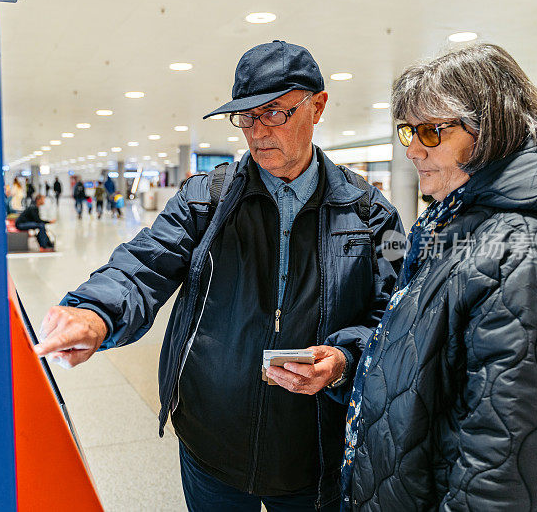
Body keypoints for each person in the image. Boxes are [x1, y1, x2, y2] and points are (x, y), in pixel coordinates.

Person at [35, 40, 403, 511]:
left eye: (274, 113)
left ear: (318, 106)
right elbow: (145, 261)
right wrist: (94, 312)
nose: (258, 132)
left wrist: (342, 358)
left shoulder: (371, 215)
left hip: (314, 453)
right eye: (245, 117)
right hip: (213, 444)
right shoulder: (206, 200)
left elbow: (389, 318)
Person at [342, 44, 537, 511]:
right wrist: (351, 364)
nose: (413, 149)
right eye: (408, 131)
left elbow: (507, 467)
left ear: (490, 131)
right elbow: (436, 355)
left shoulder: (525, 253)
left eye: (431, 131)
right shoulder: (463, 220)